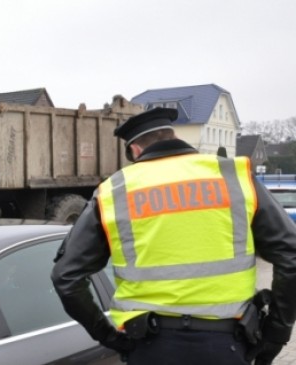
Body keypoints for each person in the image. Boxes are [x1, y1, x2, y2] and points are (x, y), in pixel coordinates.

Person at [51, 107, 296, 364]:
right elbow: (290, 255)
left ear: (134, 150)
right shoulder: (232, 177)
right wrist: (276, 333)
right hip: (227, 346)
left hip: (150, 348)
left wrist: (110, 338)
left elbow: (66, 277)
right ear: (173, 136)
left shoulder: (114, 191)